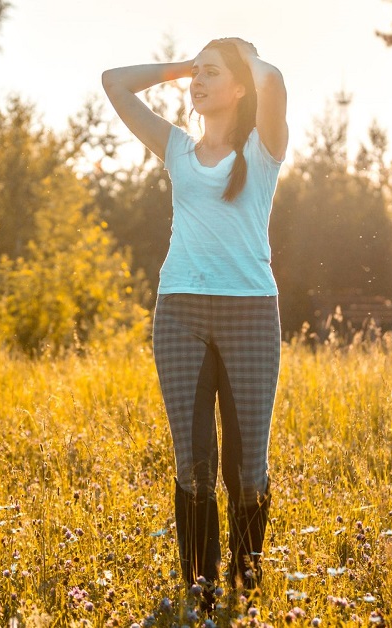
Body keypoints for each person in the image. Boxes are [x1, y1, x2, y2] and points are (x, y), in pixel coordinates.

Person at [102, 38, 287, 609]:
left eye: (212, 75)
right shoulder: (177, 148)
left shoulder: (263, 149)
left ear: (239, 86)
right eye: (195, 75)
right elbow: (114, 81)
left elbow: (274, 79)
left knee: (249, 469)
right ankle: (200, 591)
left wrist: (238, 56)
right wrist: (189, 65)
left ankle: (244, 584)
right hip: (179, 312)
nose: (197, 83)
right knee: (194, 465)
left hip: (251, 314)